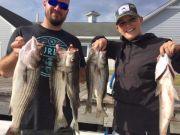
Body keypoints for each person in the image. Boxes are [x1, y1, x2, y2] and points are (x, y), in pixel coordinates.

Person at [92, 3, 180, 135]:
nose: (128, 26)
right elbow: (98, 42)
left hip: (151, 128)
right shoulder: (118, 48)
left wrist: (176, 49)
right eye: (122, 23)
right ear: (118, 28)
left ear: (140, 20)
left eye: (132, 19)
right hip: (121, 126)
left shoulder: (160, 45)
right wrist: (99, 39)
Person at [0, 0, 86, 134]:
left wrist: (72, 62)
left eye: (63, 6)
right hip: (29, 121)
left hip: (63, 122)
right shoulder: (22, 32)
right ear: (44, 3)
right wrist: (16, 54)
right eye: (53, 2)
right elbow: (4, 71)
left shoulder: (73, 41)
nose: (58, 8)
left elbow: (81, 78)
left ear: (67, 11)